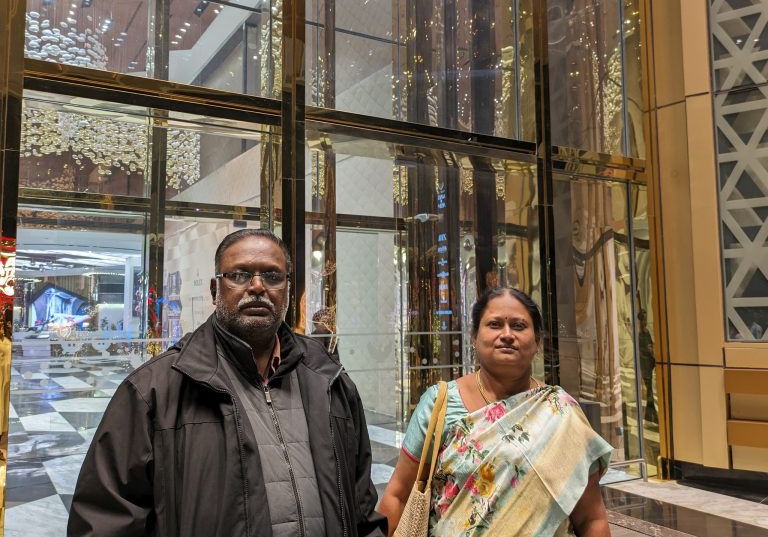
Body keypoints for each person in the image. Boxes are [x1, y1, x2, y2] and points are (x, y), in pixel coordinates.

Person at [68, 229, 387, 537]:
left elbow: (361, 507)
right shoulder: (154, 392)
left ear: (288, 290)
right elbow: (104, 522)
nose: (257, 286)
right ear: (214, 290)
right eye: (239, 275)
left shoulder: (328, 379)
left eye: (273, 276)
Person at [378, 287, 613, 536]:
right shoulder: (440, 404)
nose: (507, 334)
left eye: (519, 326)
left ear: (537, 341)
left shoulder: (561, 413)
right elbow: (398, 496)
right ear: (474, 337)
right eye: (495, 324)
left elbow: (591, 518)